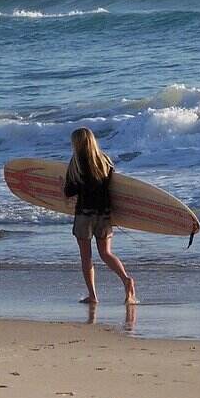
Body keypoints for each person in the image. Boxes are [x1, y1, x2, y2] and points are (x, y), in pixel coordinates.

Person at [63, 127, 137, 305]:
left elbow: (69, 191)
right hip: (104, 214)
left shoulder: (76, 163)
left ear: (76, 143)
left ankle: (93, 296)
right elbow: (114, 187)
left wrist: (63, 186)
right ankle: (126, 279)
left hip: (84, 216)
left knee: (86, 257)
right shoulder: (105, 161)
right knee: (106, 253)